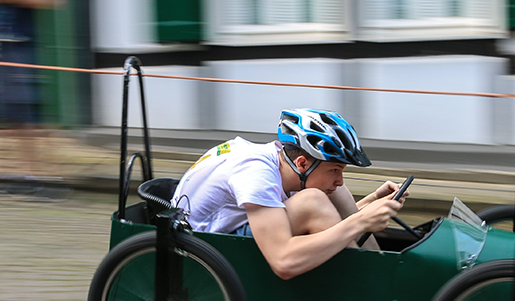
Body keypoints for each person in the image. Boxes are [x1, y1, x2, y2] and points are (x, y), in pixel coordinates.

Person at [172, 108, 405, 280]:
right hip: (203, 248)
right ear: (302, 163)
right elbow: (283, 261)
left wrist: (372, 203)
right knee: (313, 201)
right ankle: (369, 285)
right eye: (336, 169)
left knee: (331, 190)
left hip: (230, 229)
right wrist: (361, 220)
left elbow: (333, 221)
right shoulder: (257, 174)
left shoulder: (277, 161)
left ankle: (379, 271)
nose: (340, 178)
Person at [0, 0, 69, 178]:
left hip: (27, 44)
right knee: (17, 114)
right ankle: (28, 174)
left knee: (32, 113)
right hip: (6, 43)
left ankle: (46, 175)